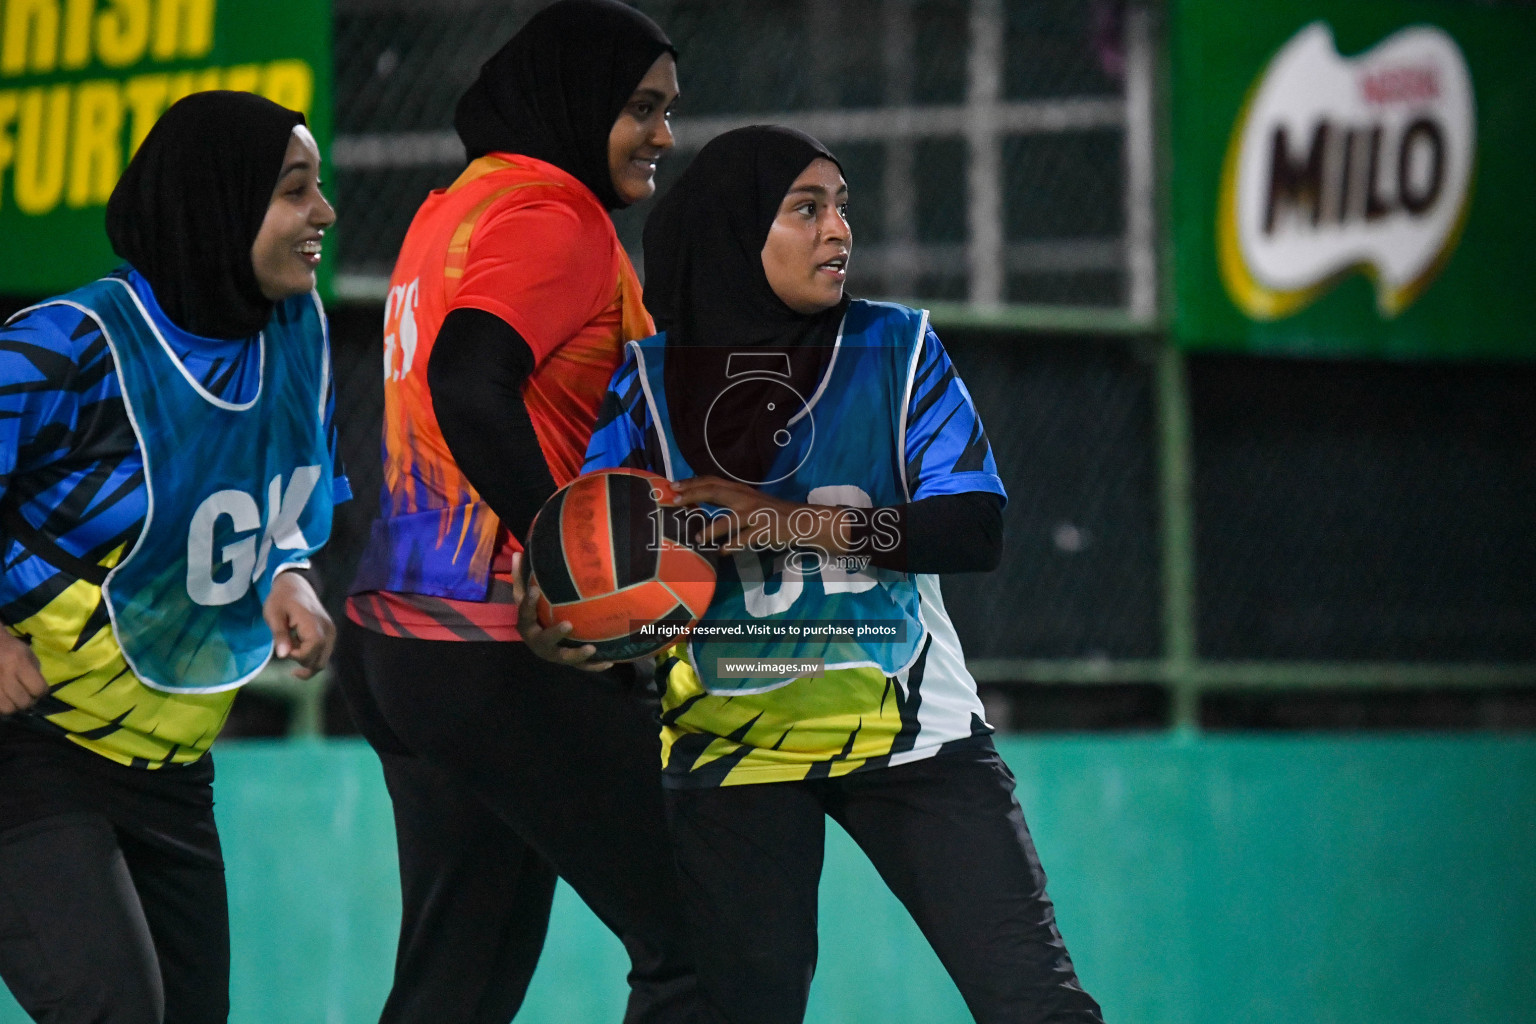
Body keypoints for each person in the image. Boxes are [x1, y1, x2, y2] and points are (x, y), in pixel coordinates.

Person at [561, 125, 1106, 1024]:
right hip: (732, 745)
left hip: (913, 732)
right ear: (738, 232)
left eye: (843, 207)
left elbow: (974, 526)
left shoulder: (900, 349)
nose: (839, 231)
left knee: (1037, 1005)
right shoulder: (647, 386)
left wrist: (793, 521)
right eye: (807, 209)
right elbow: (592, 549)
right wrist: (572, 626)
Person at [337, 2, 701, 1021]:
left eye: (669, 109)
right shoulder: (555, 218)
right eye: (641, 107)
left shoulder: (452, 208)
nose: (664, 133)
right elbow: (470, 381)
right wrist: (565, 551)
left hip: (402, 643)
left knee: (461, 974)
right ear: (576, 100)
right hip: (502, 643)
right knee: (708, 937)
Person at [0, 91, 344, 1024]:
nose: (325, 215)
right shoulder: (68, 346)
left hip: (173, 768)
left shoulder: (295, 335)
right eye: (295, 191)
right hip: (30, 752)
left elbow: (287, 498)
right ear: (219, 204)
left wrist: (288, 574)